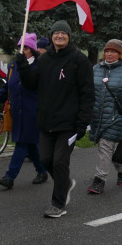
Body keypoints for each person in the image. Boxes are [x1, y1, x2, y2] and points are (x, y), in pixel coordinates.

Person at [16, 20, 94, 218]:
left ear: (69, 36)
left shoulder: (79, 60)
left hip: (69, 122)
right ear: (51, 36)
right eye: (56, 33)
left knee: (59, 162)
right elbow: (32, 85)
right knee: (45, 159)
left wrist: (83, 122)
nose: (60, 36)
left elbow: (87, 94)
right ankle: (65, 183)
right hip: (46, 120)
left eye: (63, 33)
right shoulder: (44, 60)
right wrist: (23, 66)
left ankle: (58, 203)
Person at [0, 33, 49, 190]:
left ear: (32, 50)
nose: (20, 50)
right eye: (19, 47)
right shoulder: (13, 66)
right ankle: (42, 171)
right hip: (17, 111)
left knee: (22, 142)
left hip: (33, 112)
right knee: (30, 144)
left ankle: (10, 177)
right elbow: (7, 87)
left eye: (24, 47)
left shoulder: (39, 65)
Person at [86, 38, 122, 192]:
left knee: (105, 146)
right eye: (107, 51)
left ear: (120, 54)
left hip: (117, 117)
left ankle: (99, 180)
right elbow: (88, 91)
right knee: (112, 149)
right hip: (98, 116)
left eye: (113, 51)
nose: (109, 54)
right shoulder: (96, 69)